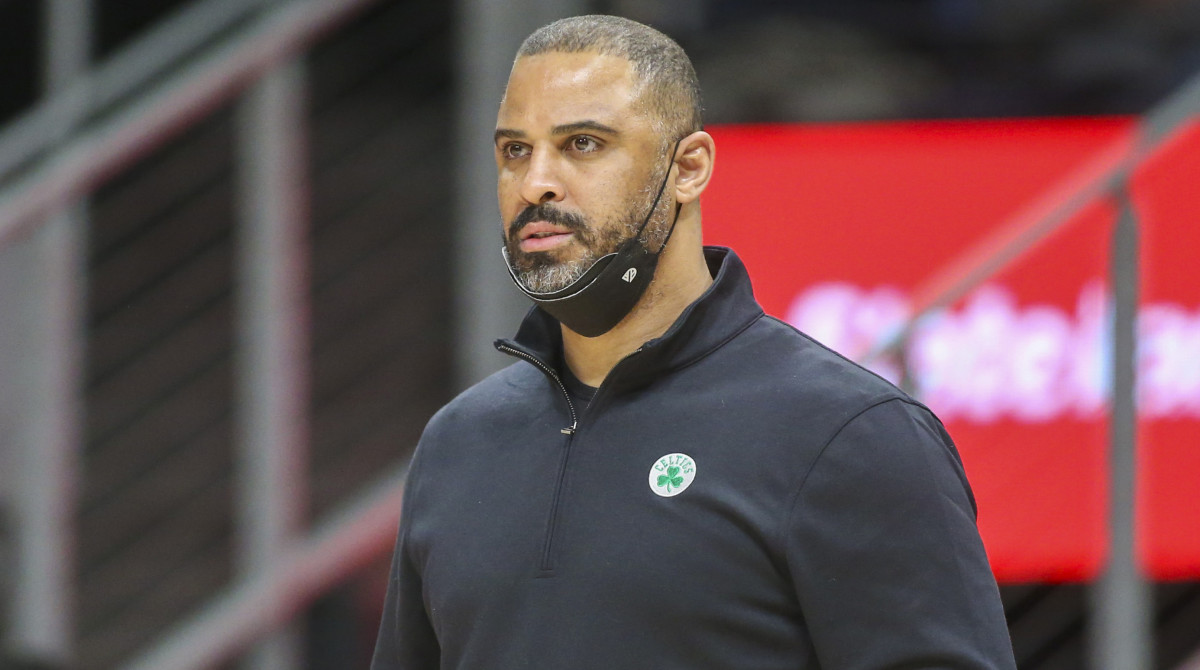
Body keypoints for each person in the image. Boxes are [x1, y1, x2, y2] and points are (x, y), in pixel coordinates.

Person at [372, 14, 1016, 670]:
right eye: (515, 151)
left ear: (689, 167)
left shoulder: (849, 434)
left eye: (583, 144)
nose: (536, 182)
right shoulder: (458, 443)